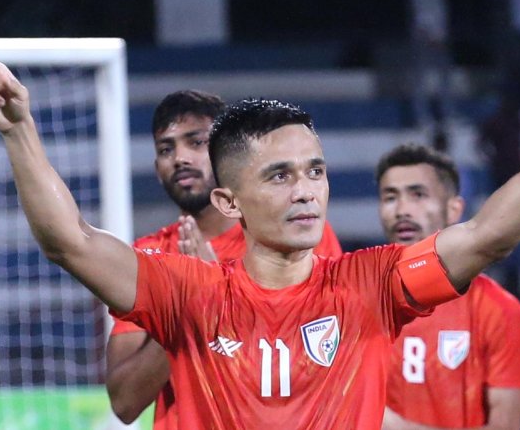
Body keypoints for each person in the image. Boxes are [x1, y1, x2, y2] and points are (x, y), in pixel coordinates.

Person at [0, 40, 520, 428]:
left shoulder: (370, 284)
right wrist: (20, 132)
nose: (306, 190)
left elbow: (485, 237)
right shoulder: (188, 291)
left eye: (315, 171)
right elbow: (70, 242)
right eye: (280, 176)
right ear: (228, 199)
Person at [105, 90, 342, 426]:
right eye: (166, 149)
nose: (180, 158)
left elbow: (322, 357)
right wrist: (189, 307)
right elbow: (125, 402)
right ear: (157, 169)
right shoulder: (148, 256)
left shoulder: (293, 234)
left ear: (227, 157)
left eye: (195, 142)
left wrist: (216, 290)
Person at [376, 144, 520, 430]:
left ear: (454, 210)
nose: (402, 210)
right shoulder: (354, 300)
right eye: (390, 197)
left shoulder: (498, 309)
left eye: (418, 195)